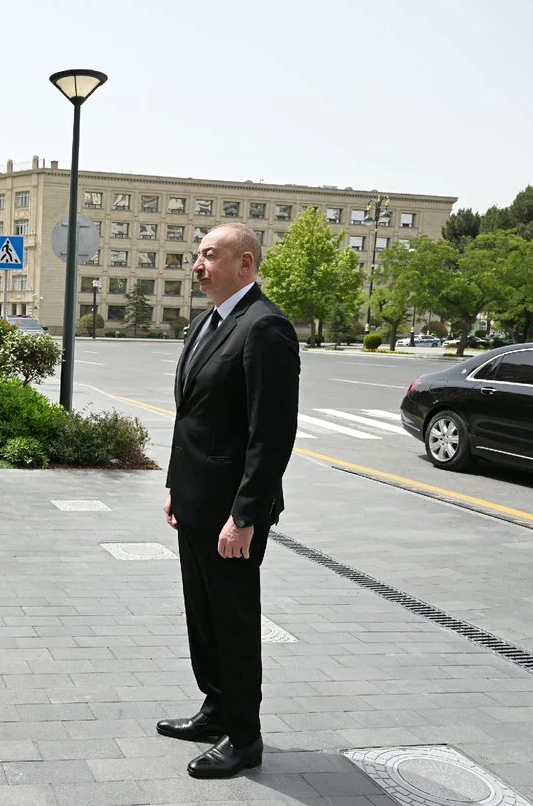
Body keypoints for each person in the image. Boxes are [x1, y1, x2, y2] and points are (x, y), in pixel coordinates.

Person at [159, 223, 300, 779]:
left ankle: (244, 736)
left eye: (209, 255)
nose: (198, 265)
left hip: (231, 514)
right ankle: (216, 709)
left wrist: (244, 516)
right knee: (203, 617)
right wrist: (175, 485)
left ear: (245, 264)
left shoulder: (265, 328)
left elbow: (271, 434)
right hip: (195, 502)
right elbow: (192, 418)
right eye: (197, 255)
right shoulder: (207, 323)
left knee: (234, 622)